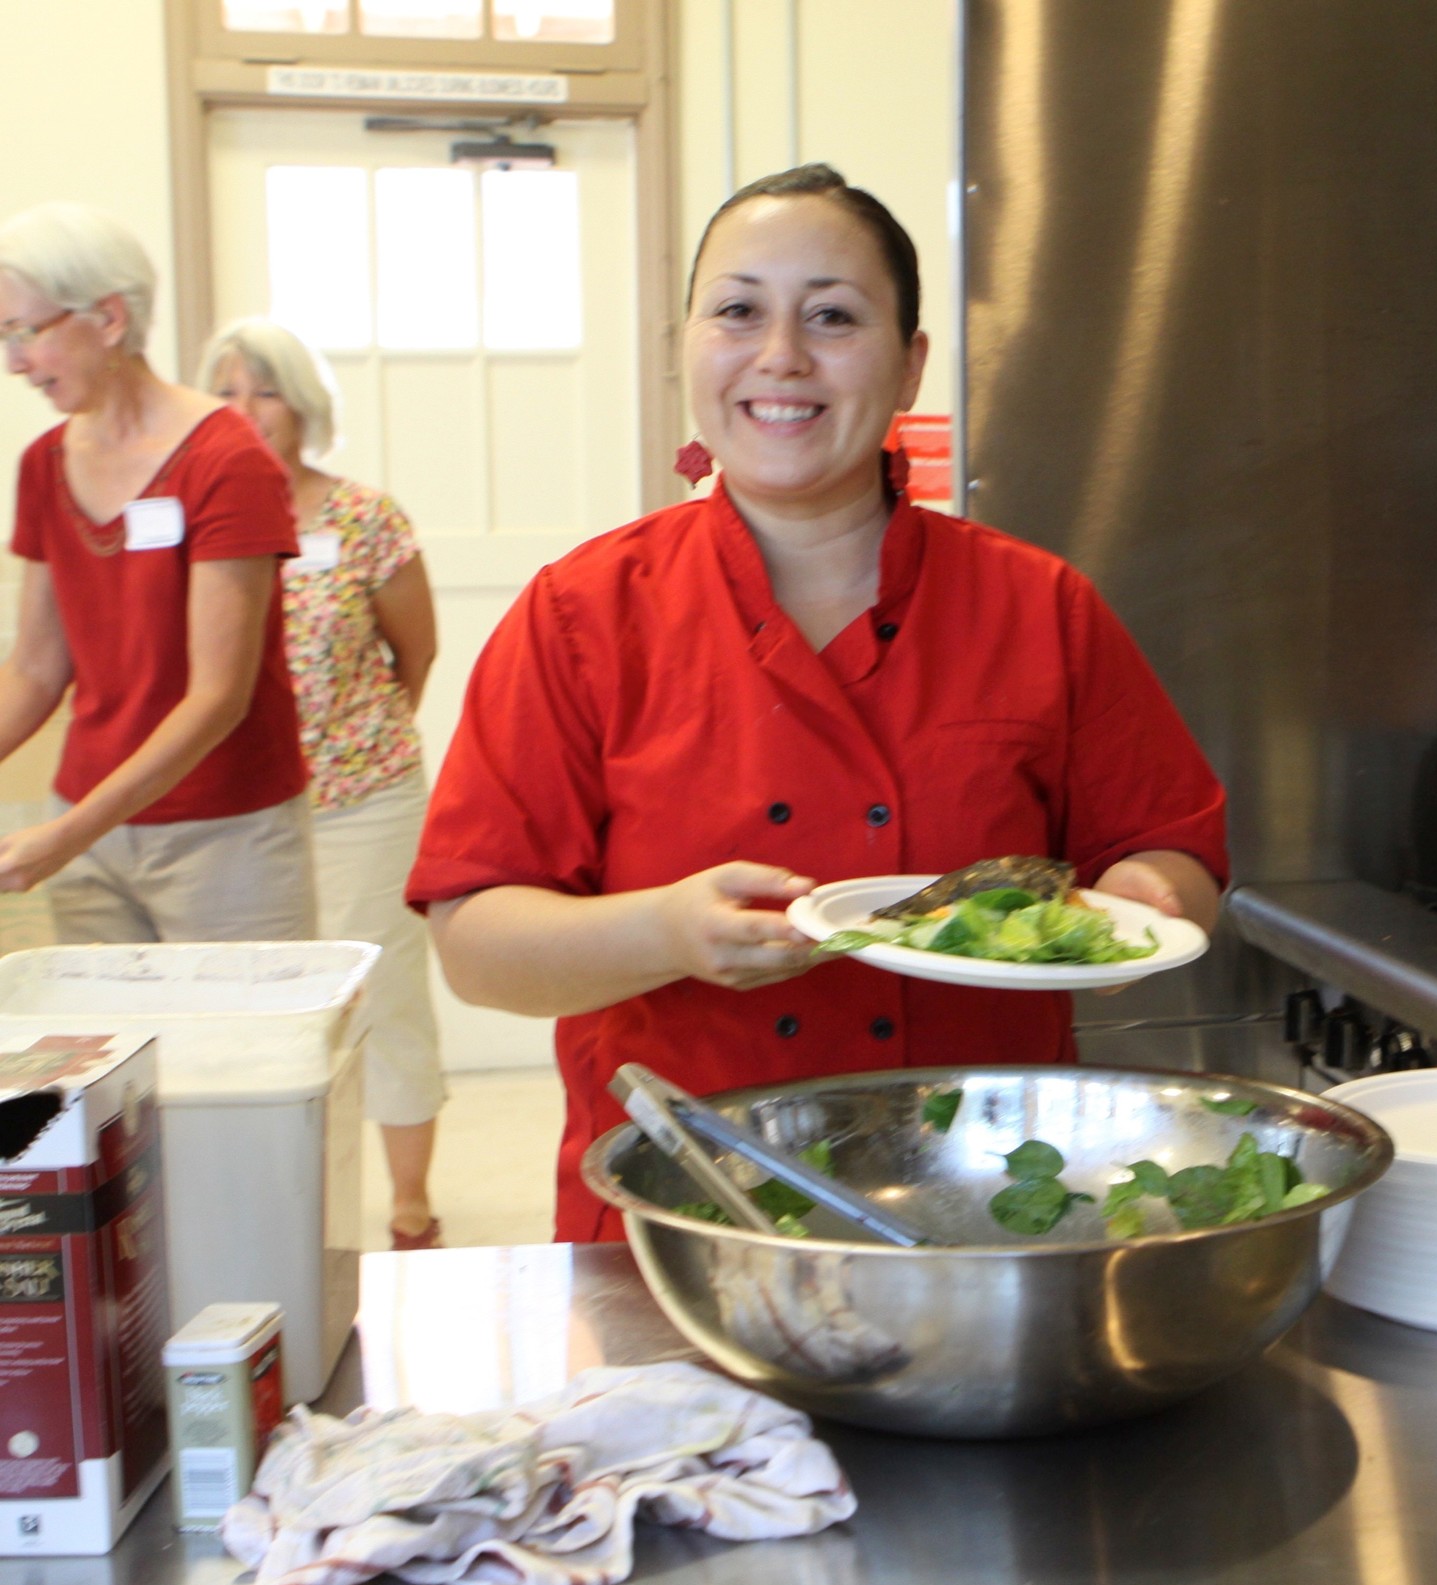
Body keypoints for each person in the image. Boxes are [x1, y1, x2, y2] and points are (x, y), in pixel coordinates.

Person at [409, 165, 1228, 1242]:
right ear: (686, 346)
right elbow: (476, 944)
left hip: (985, 1207)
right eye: (738, 310)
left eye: (833, 317)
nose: (780, 356)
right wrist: (666, 930)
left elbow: (1172, 852)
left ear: (909, 365)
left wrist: (1135, 905)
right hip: (691, 1203)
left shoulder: (1040, 607)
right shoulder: (582, 615)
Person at [203, 319, 450, 1251]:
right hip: (239, 809)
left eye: (264, 390)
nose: (246, 411)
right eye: (226, 391)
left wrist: (352, 742)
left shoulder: (365, 519)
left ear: (304, 405)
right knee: (267, 1010)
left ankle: (410, 1195)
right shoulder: (199, 518)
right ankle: (281, 1188)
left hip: (364, 794)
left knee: (382, 996)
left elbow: (415, 650)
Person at [0, 204, 312, 939]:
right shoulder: (43, 465)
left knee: (239, 1054)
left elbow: (217, 698)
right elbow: (37, 670)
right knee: (112, 1052)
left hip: (226, 834)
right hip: (88, 823)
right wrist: (77, 830)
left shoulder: (226, 459)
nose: (14, 362)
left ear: (108, 318)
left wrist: (72, 833)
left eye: (25, 332)